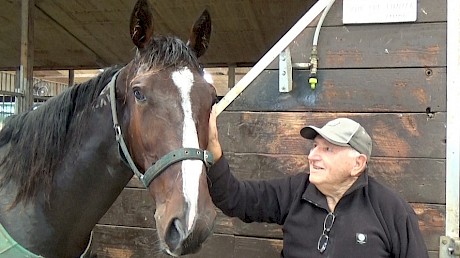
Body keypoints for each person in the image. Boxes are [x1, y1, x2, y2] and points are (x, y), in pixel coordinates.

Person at [206, 106, 429, 257]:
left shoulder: (391, 210)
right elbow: (233, 197)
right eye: (314, 146)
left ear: (358, 164)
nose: (312, 156)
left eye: (328, 149)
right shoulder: (295, 191)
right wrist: (214, 151)